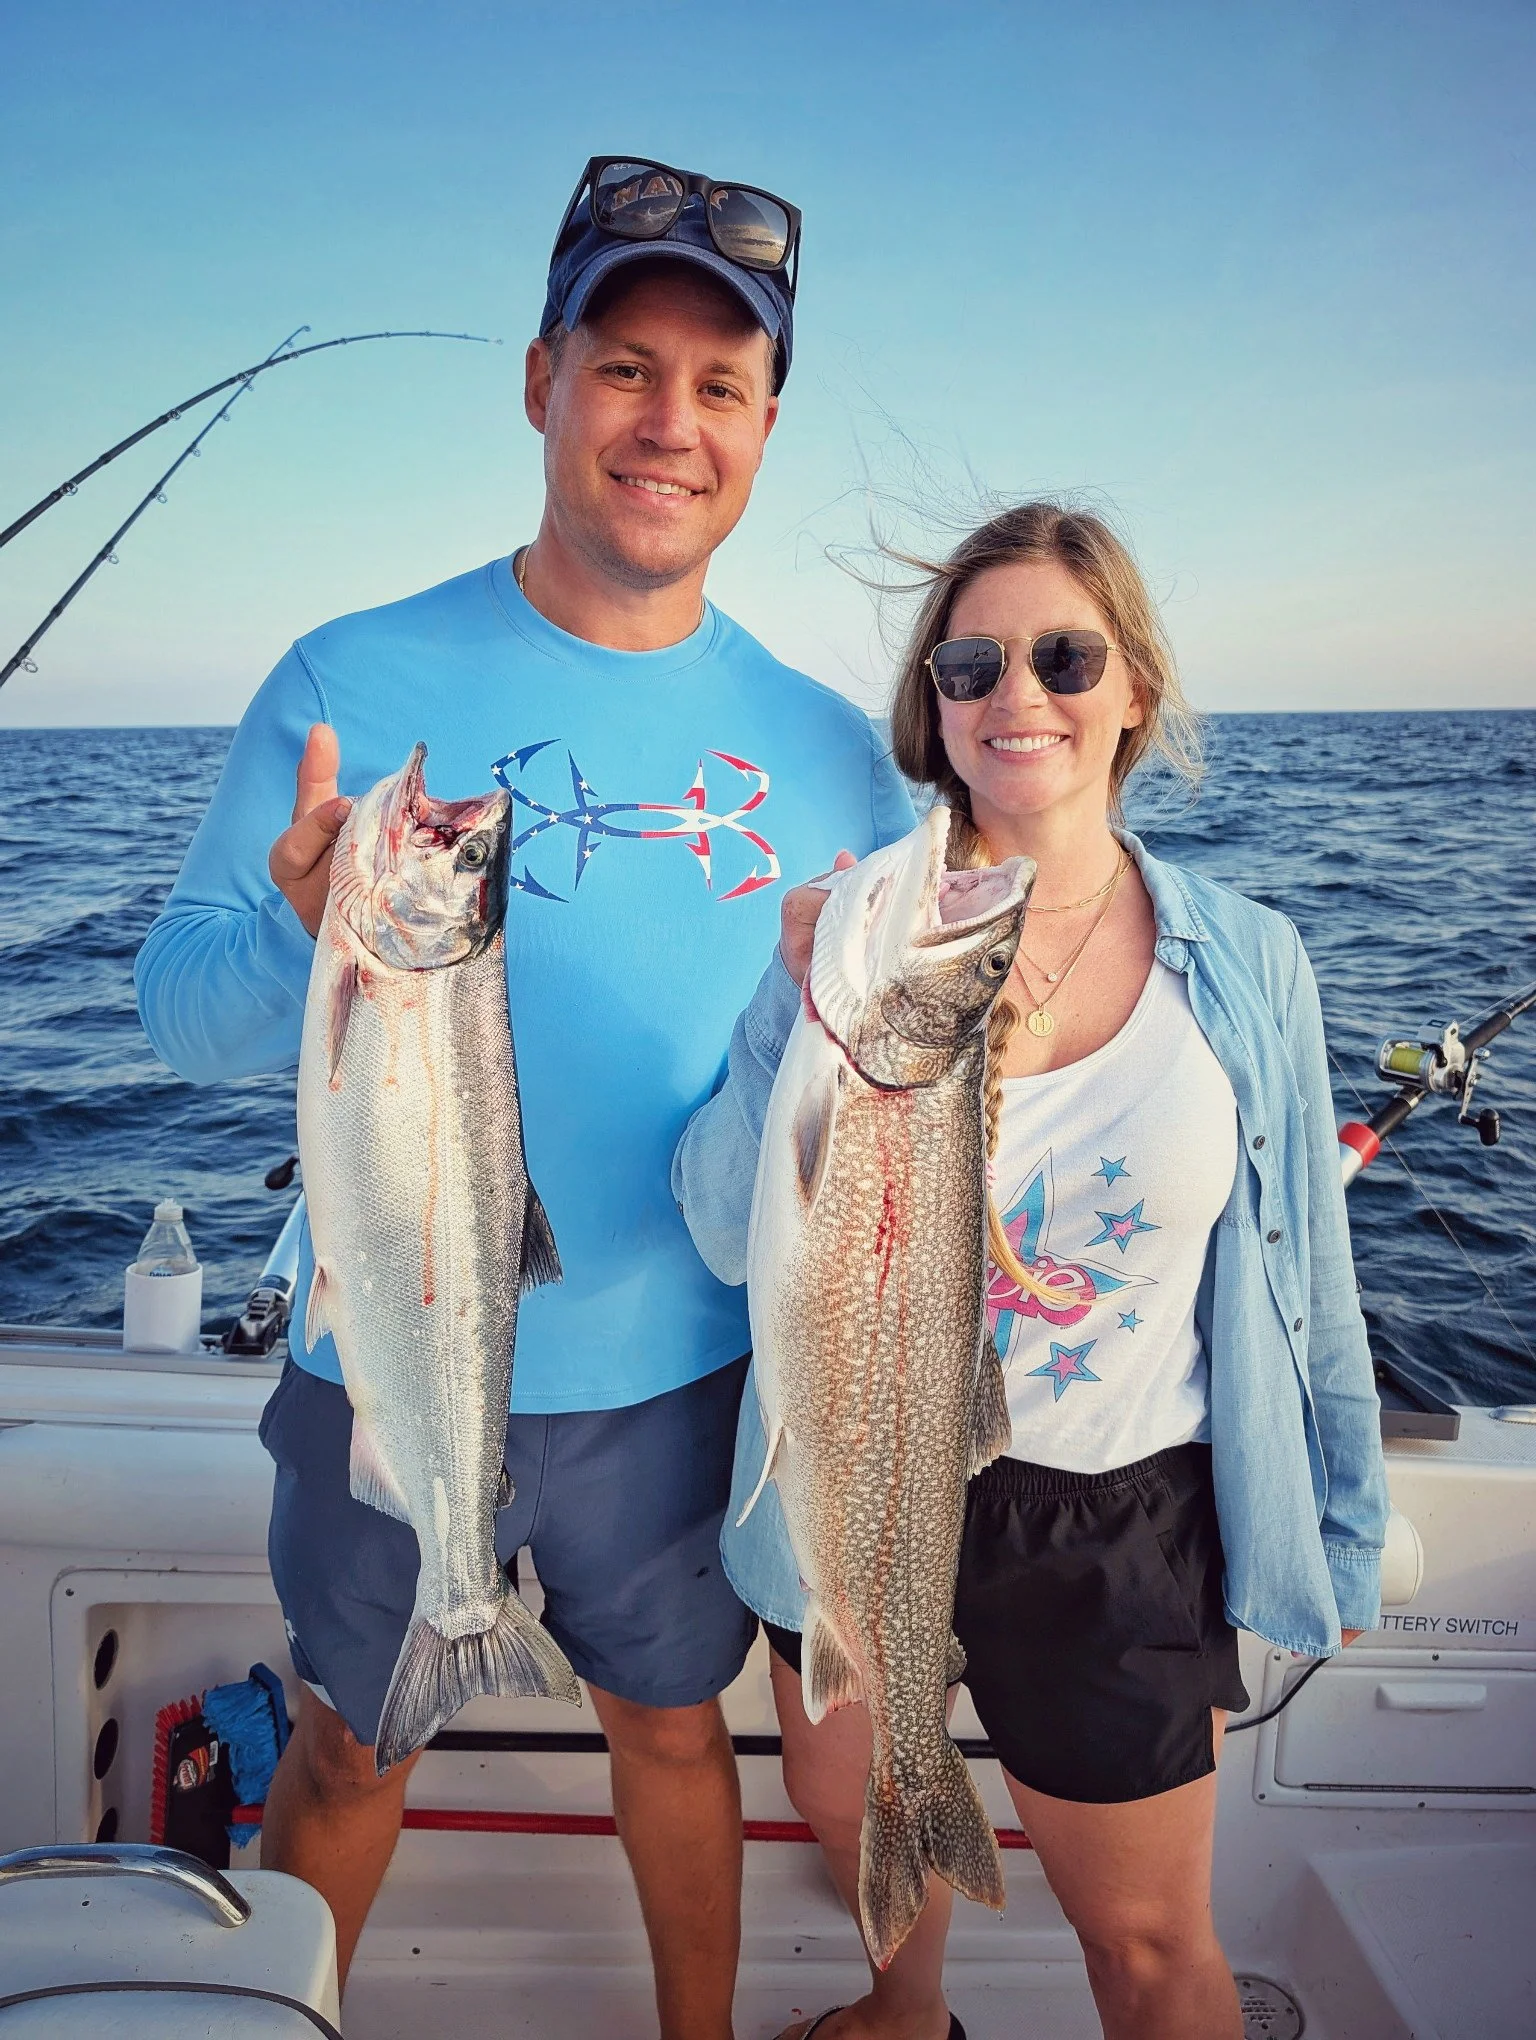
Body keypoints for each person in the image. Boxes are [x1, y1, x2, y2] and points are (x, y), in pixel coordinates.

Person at [135, 154, 912, 2040]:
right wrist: (310, 938)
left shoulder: (831, 746)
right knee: (348, 1747)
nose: (671, 423)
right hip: (376, 1357)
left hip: (681, 1376)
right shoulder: (350, 673)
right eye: (628, 367)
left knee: (674, 1734)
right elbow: (180, 1020)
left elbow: (889, 1107)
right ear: (542, 377)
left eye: (720, 387)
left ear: (767, 423)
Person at [672, 501, 1390, 2040]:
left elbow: (1309, 1276)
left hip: (1116, 1512)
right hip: (860, 1465)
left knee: (1145, 1947)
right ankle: (904, 2016)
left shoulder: (1250, 959)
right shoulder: (856, 929)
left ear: (1133, 686)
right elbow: (730, 1224)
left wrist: (1338, 1524)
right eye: (972, 664)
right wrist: (781, 1009)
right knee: (857, 1808)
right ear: (931, 710)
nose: (1020, 697)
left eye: (1065, 655)